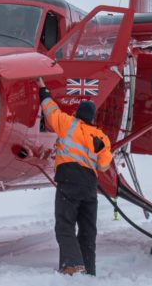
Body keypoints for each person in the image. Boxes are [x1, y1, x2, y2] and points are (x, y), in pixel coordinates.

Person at [36, 77, 113, 275]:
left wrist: (43, 90)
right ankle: (88, 269)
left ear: (78, 114)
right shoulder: (102, 138)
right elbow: (104, 166)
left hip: (69, 181)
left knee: (65, 225)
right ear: (93, 118)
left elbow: (50, 110)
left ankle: (71, 265)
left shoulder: (68, 124)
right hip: (89, 186)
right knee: (88, 229)